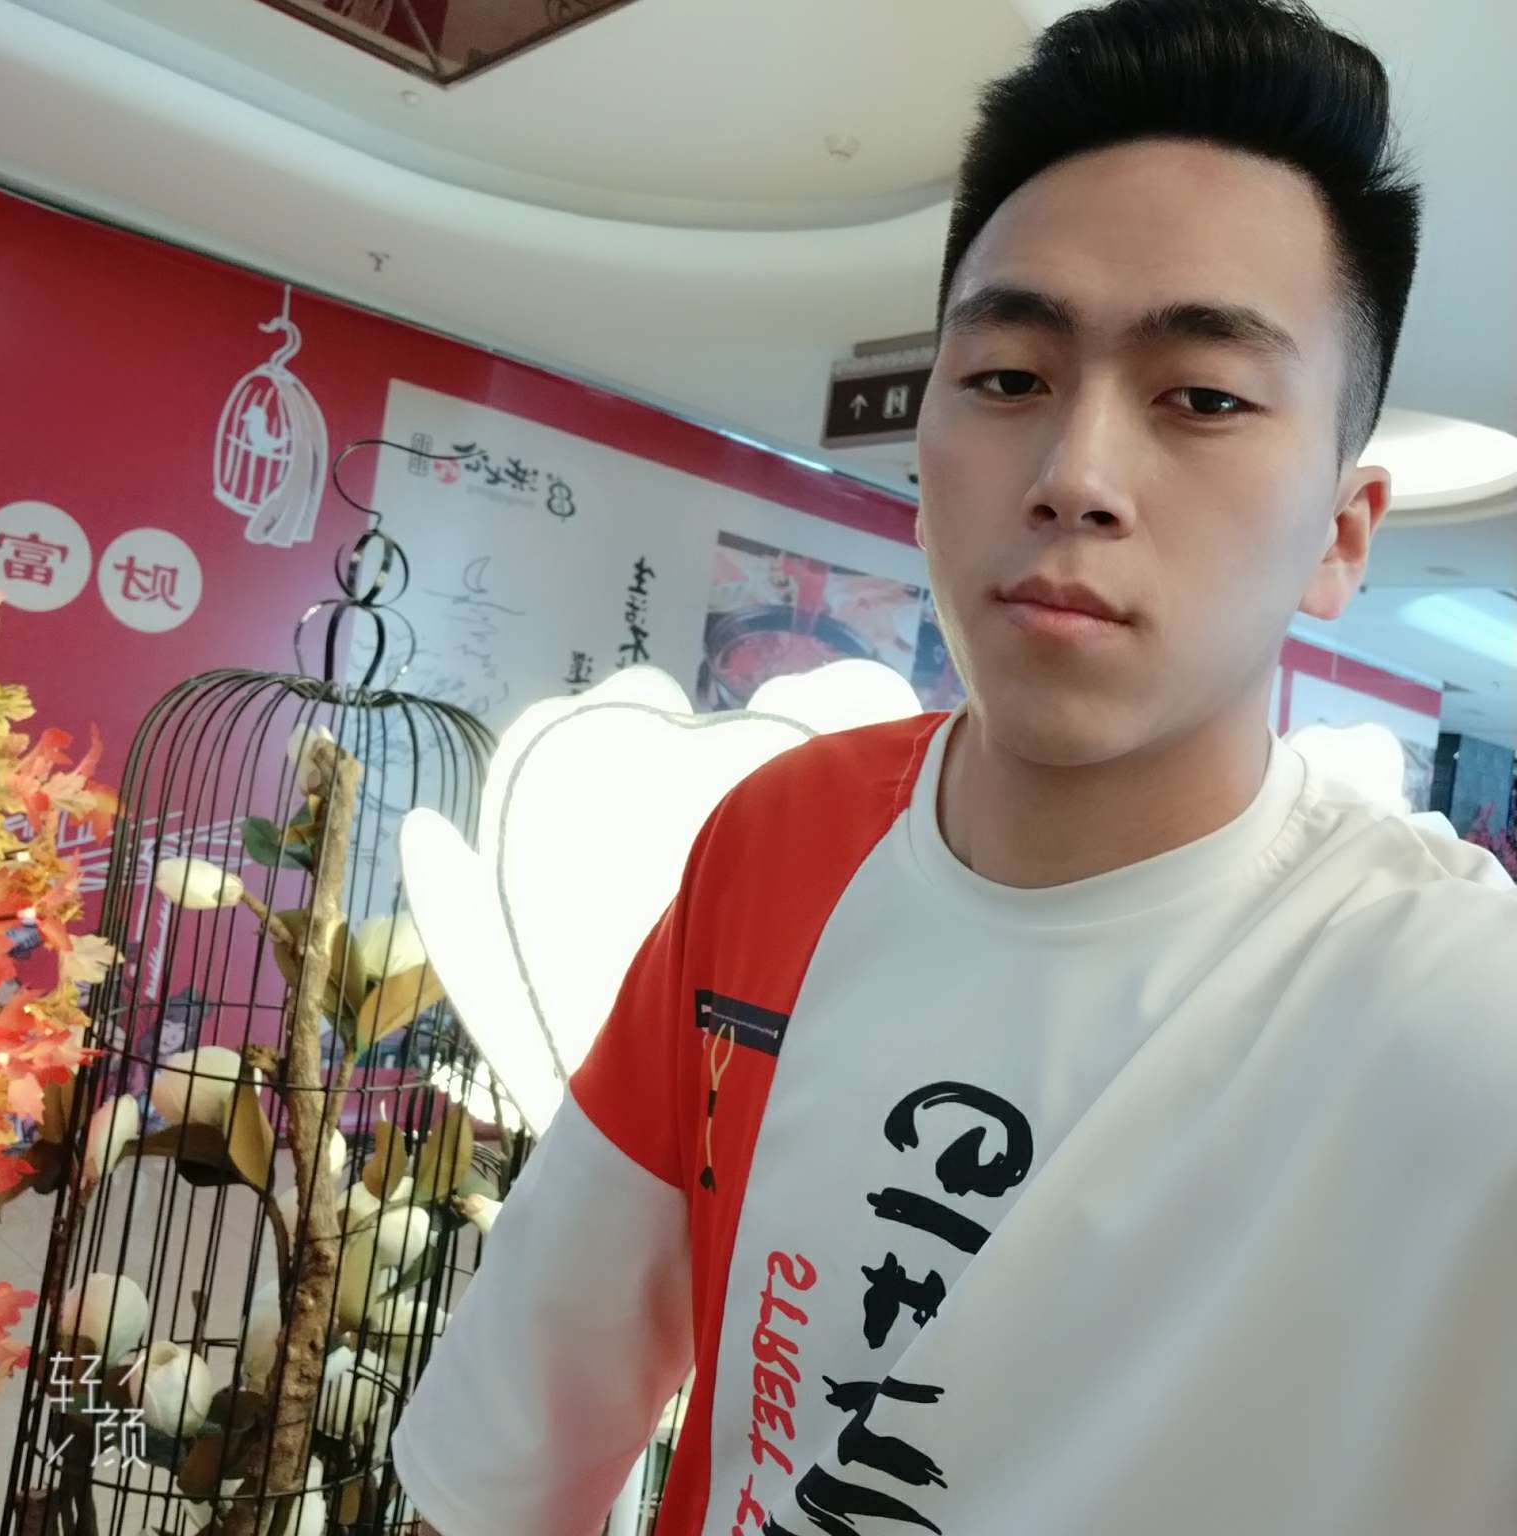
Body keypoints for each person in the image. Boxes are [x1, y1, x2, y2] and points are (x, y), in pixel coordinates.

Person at [393, 2, 1517, 1531]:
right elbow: (505, 1455)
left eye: (1202, 396)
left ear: (1341, 532)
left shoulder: (1439, 1011)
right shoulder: (787, 836)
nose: (1076, 476)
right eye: (1007, 377)